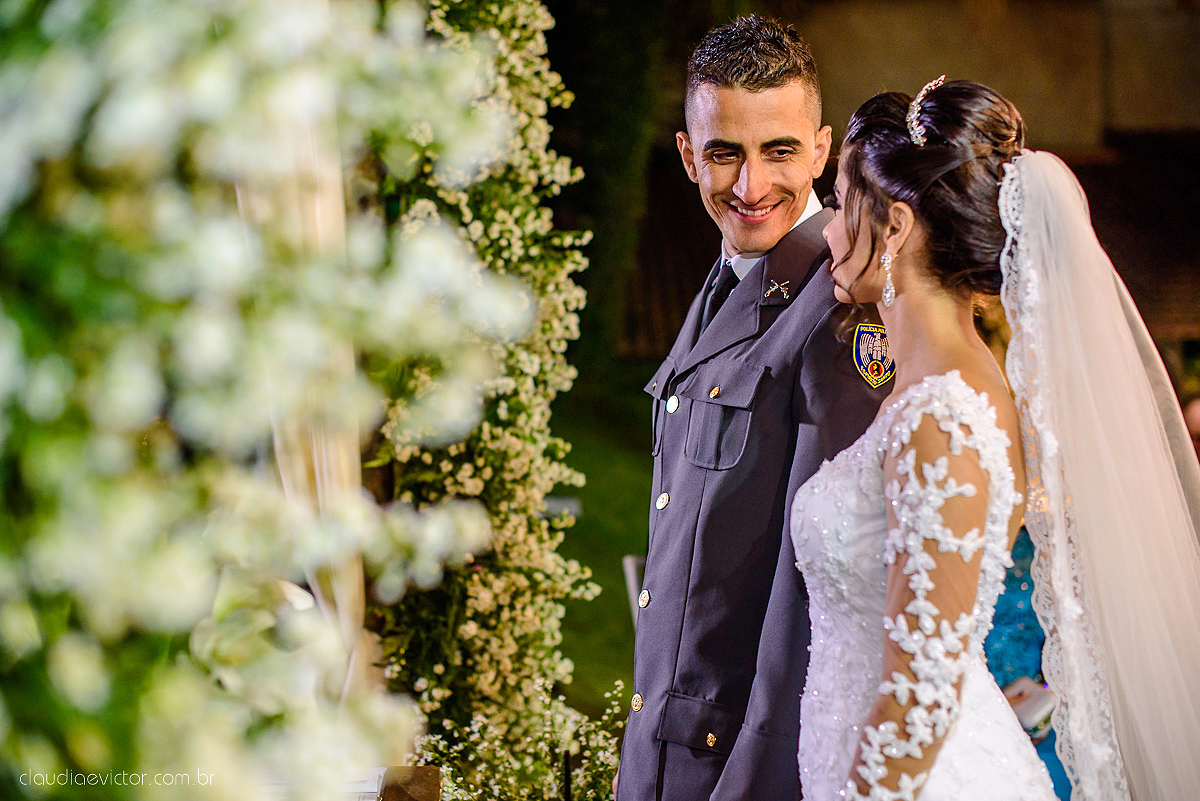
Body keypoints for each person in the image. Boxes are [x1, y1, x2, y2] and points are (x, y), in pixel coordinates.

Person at [790, 77, 1200, 801]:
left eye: (844, 202)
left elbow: (920, 696)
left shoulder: (946, 413)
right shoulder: (922, 390)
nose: (828, 227)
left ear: (896, 227)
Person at [615, 16, 891, 801]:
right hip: (667, 752)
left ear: (823, 148)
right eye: (724, 152)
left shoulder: (841, 314)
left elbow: (820, 587)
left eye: (779, 151)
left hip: (739, 765)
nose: (750, 186)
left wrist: (754, 781)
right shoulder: (719, 285)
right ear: (686, 154)